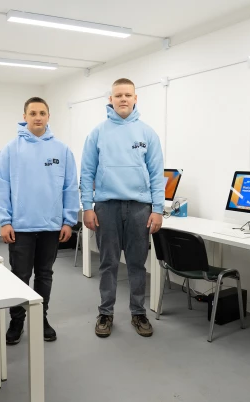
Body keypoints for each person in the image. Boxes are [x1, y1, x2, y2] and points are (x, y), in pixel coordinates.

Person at [80, 78, 164, 338]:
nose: (123, 99)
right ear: (111, 99)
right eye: (118, 95)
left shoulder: (147, 133)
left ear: (136, 98)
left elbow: (156, 173)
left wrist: (158, 209)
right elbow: (86, 172)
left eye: (128, 95)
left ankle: (138, 313)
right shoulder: (98, 133)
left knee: (138, 264)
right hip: (106, 207)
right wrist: (87, 206)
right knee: (108, 263)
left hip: (140, 208)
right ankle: (105, 313)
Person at [0, 97, 80, 344]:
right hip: (20, 226)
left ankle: (41, 318)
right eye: (33, 113)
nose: (38, 117)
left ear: (48, 117)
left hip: (52, 227)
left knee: (45, 274)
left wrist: (68, 221)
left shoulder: (62, 150)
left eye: (42, 112)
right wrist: (5, 220)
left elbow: (70, 188)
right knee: (20, 275)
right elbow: (0, 187)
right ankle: (17, 321)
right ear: (25, 116)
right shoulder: (10, 149)